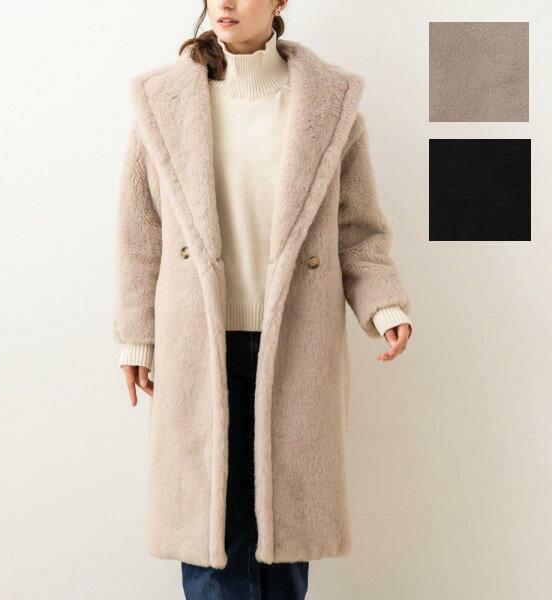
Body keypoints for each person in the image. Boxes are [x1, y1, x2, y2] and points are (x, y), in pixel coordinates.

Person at [114, 1, 413, 598]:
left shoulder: (330, 105)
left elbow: (357, 229)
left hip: (296, 341)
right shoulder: (162, 101)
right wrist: (136, 336)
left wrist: (383, 304)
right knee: (211, 538)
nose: (224, 3)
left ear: (279, 2)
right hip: (198, 343)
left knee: (285, 536)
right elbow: (140, 231)